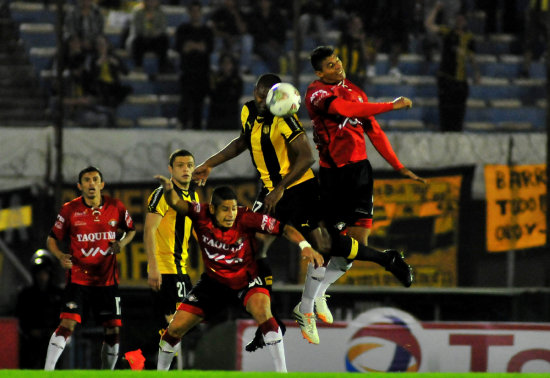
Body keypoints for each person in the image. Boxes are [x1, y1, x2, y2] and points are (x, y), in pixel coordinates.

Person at [192, 73, 414, 346]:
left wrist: (282, 187)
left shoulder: (284, 116)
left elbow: (306, 156)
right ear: (255, 93)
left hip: (298, 188)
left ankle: (378, 265)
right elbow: (242, 141)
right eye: (260, 96)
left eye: (268, 97)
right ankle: (265, 318)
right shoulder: (248, 110)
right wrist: (211, 163)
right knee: (254, 245)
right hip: (270, 191)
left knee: (325, 243)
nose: (263, 102)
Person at [301, 45, 425, 342]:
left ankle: (319, 293)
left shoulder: (355, 90)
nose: (337, 67)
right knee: (329, 245)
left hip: (360, 173)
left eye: (337, 61)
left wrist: (398, 166)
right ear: (319, 73)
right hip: (335, 175)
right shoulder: (316, 94)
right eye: (330, 66)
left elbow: (373, 130)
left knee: (356, 246)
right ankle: (305, 308)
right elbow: (347, 111)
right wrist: (391, 105)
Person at [154, 182, 325, 372]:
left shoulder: (247, 218)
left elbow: (284, 229)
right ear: (212, 208)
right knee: (174, 329)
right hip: (213, 283)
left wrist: (305, 246)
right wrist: (169, 190)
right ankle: (161, 374)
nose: (231, 214)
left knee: (264, 314)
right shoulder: (200, 213)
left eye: (233, 208)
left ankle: (281, 372)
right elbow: (176, 202)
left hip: (246, 279)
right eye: (225, 209)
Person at [44, 166, 136, 370]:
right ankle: (47, 371)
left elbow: (131, 231)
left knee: (113, 331)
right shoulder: (69, 210)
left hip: (107, 280)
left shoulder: (116, 206)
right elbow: (51, 238)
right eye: (86, 180)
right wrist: (59, 256)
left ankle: (107, 373)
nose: (91, 183)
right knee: (67, 324)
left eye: (95, 179)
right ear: (80, 186)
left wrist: (121, 243)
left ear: (102, 184)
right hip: (78, 279)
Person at [144, 149, 199, 339]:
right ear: (170, 169)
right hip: (165, 270)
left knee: (181, 325)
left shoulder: (193, 196)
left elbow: (196, 230)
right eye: (180, 165)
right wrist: (153, 266)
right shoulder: (162, 194)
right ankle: (164, 365)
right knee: (171, 325)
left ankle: (166, 365)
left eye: (190, 165)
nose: (186, 169)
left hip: (181, 269)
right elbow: (149, 230)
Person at [425, 2, 480, 132]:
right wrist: (436, 9)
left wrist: (477, 73)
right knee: (445, 114)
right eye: (458, 19)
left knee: (458, 115)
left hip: (461, 82)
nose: (460, 21)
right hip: (446, 78)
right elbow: (429, 25)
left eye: (462, 19)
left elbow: (472, 59)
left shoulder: (469, 38)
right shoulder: (448, 32)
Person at [15, 249, 63, 369]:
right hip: (31, 344)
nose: (42, 277)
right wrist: (31, 332)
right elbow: (21, 318)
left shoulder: (59, 294)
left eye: (45, 273)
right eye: (39, 273)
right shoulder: (26, 295)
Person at [174, 1, 214, 129]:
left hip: (202, 73)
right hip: (187, 72)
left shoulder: (207, 31)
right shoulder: (183, 29)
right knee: (185, 103)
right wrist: (198, 46)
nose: (196, 14)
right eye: (193, 11)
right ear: (189, 13)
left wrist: (191, 45)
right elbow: (181, 47)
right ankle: (183, 127)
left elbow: (207, 48)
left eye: (198, 11)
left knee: (198, 105)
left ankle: (196, 130)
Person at [127, 0, 170, 73]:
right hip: (142, 39)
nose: (151, 2)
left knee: (164, 39)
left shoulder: (161, 12)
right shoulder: (137, 11)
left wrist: (157, 33)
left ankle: (163, 67)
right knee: (137, 40)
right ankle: (138, 66)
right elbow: (136, 28)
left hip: (155, 40)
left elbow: (163, 27)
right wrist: (148, 33)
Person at [208, 53, 243, 130]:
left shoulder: (237, 80)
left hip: (231, 115)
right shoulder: (215, 78)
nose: (226, 65)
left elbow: (237, 96)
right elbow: (212, 95)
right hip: (216, 115)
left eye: (229, 63)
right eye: (224, 63)